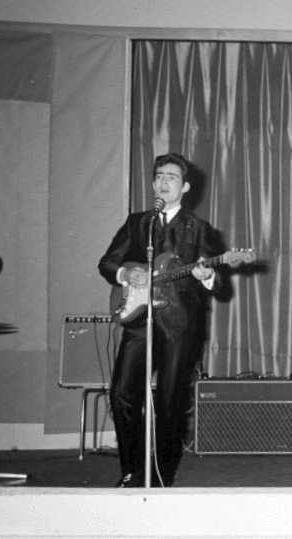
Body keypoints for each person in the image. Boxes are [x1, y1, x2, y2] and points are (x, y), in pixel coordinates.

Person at [99, 153, 223, 488]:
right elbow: (108, 263)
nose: (163, 181)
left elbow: (215, 279)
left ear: (184, 187)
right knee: (122, 394)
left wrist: (206, 274)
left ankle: (161, 475)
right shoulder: (137, 222)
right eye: (158, 176)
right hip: (139, 318)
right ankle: (132, 469)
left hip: (180, 324)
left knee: (169, 402)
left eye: (171, 176)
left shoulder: (199, 229)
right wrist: (127, 273)